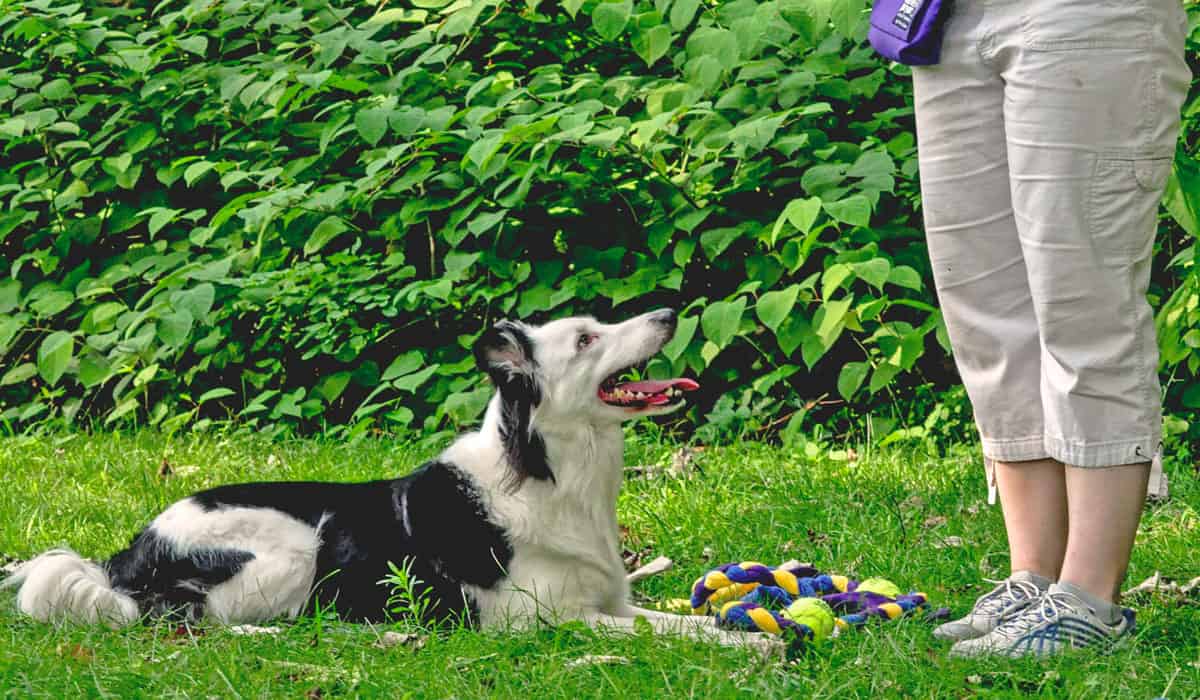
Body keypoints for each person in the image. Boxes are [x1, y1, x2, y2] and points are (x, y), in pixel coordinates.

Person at [909, 0, 1191, 657]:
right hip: (948, 18)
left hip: (1088, 14)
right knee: (983, 306)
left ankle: (1089, 599)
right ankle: (1033, 580)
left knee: (1083, 303)